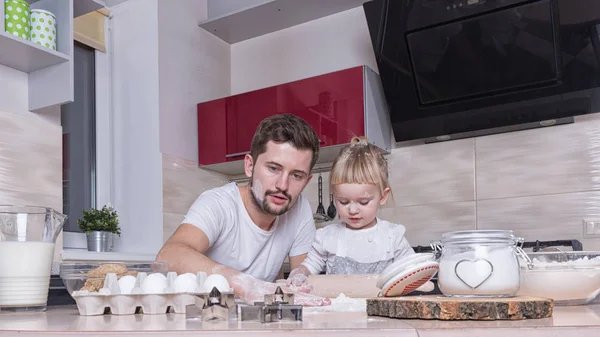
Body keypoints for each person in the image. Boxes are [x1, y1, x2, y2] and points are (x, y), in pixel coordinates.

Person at [156, 114, 330, 306]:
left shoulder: (300, 209)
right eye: (273, 168)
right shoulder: (218, 204)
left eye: (296, 175)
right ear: (249, 166)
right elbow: (169, 255)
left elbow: (301, 282)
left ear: (306, 182)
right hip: (204, 318)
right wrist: (243, 284)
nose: (283, 185)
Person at [286, 136, 416, 286]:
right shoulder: (328, 237)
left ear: (383, 196)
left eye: (363, 202)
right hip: (338, 308)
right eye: (344, 201)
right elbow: (310, 265)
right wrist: (300, 272)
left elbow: (411, 270)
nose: (353, 210)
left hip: (381, 309)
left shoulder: (392, 237)